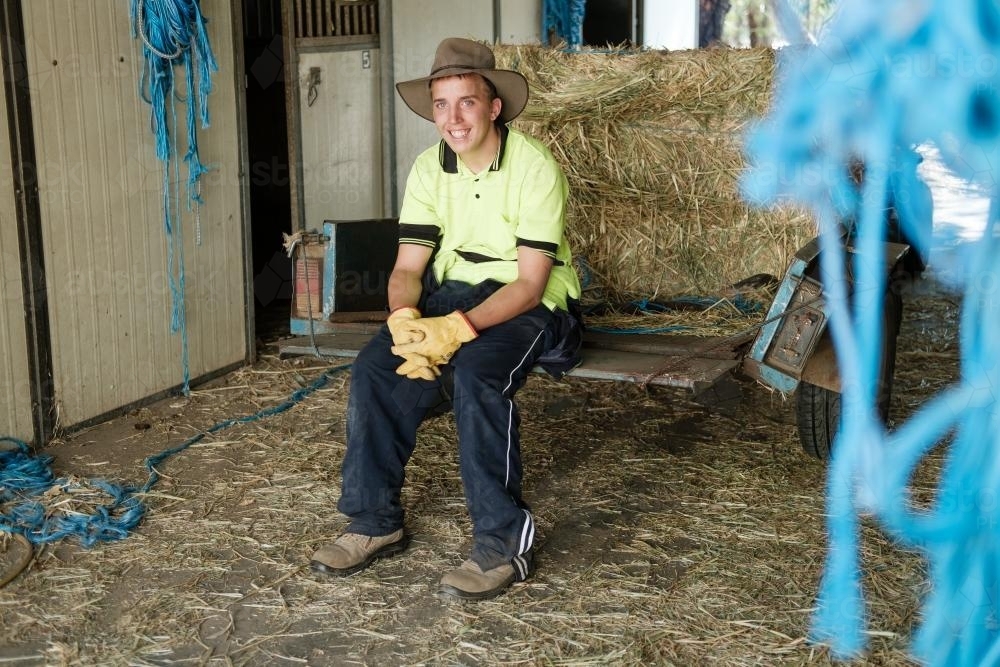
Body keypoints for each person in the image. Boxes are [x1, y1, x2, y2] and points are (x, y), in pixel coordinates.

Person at [309, 37, 583, 600]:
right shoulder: (428, 169)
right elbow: (408, 266)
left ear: (493, 107)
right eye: (441, 105)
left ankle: (505, 543)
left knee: (478, 377)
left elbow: (530, 284)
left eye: (466, 103)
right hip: (450, 292)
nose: (453, 119)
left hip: (530, 304)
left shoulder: (535, 167)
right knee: (374, 371)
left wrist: (456, 330)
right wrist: (407, 318)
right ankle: (373, 521)